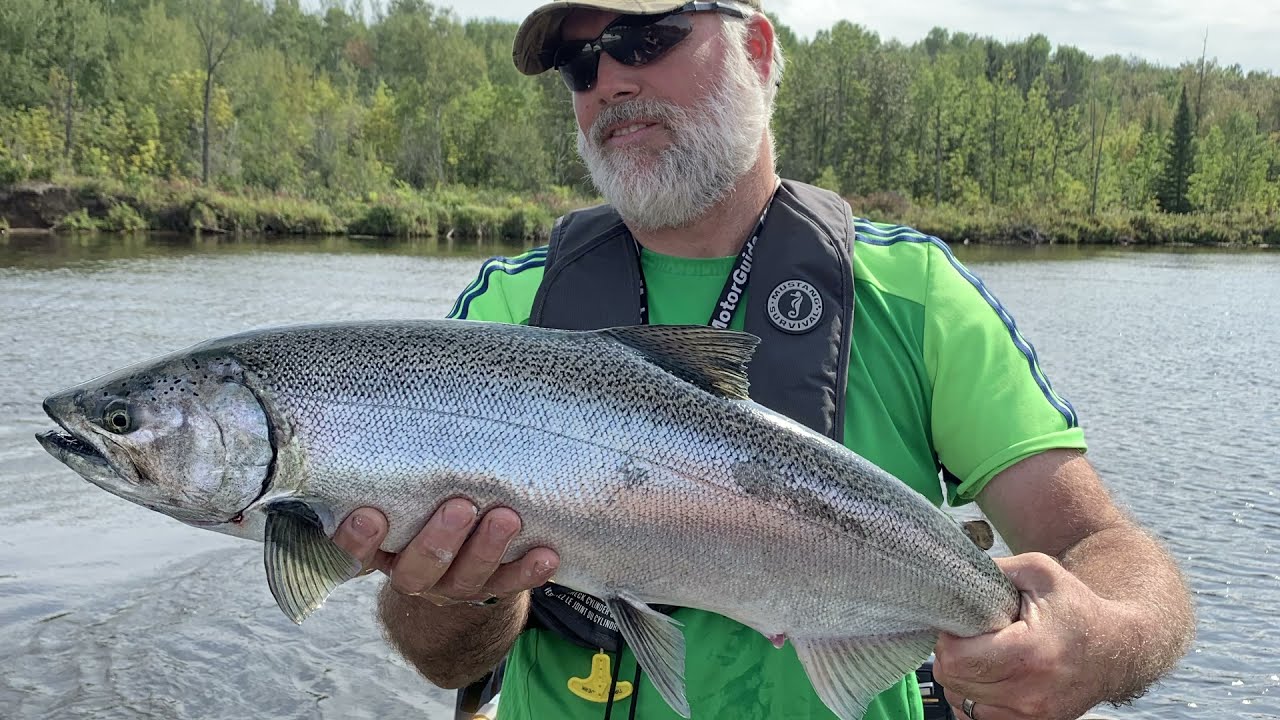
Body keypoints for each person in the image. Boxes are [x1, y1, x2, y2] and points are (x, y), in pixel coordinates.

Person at [332, 1, 1196, 718]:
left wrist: (1100, 644)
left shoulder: (915, 295)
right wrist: (451, 594)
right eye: (579, 63)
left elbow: (1106, 550)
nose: (611, 83)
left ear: (755, 45)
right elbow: (443, 663)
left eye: (645, 37)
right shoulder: (507, 314)